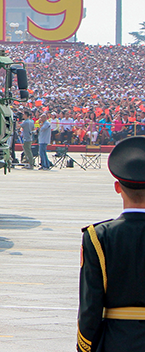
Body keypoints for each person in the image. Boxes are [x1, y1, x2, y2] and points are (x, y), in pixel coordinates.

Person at [77, 136, 145, 352]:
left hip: (116, 341)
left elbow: (91, 305)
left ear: (117, 187)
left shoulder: (98, 236)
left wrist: (85, 347)